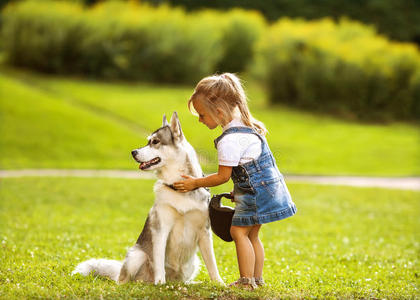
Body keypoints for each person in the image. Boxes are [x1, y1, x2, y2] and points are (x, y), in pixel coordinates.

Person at [173, 73, 297, 289]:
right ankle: (257, 279)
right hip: (266, 190)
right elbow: (248, 170)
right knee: (253, 234)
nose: (200, 120)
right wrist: (238, 191)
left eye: (202, 115)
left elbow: (222, 176)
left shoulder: (229, 140)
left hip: (256, 193)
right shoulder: (248, 126)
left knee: (238, 232)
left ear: (218, 111)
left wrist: (195, 182)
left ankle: (246, 281)